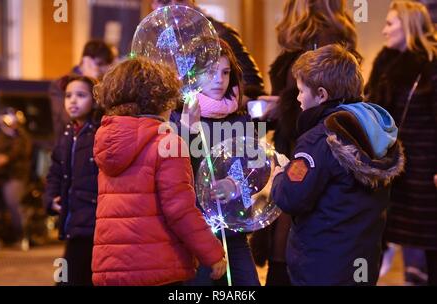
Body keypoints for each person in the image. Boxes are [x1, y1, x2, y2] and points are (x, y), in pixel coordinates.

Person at [271, 44, 405, 285]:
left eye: (301, 91)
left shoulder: (320, 139)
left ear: (321, 94)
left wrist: (279, 175)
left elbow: (291, 197)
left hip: (322, 267)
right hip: (362, 263)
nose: (299, 99)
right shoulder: (373, 129)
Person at [252, 0, 361, 286]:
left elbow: (317, 105)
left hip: (303, 149)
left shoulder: (322, 42)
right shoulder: (318, 40)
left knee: (292, 238)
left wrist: (282, 107)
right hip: (300, 146)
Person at [91, 57, 227, 286]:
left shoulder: (107, 142)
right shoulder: (168, 144)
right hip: (156, 267)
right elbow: (180, 210)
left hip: (110, 268)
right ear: (162, 98)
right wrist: (212, 253)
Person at [171, 39, 260, 286]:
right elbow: (173, 170)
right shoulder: (176, 116)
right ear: (192, 74)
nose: (219, 80)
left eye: (225, 72)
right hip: (194, 233)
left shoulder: (241, 119)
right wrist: (188, 128)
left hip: (233, 231)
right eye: (210, 72)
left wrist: (235, 183)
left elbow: (256, 167)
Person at [365, 0, 437, 286]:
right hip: (390, 170)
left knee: (431, 243)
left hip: (425, 172)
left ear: (408, 26)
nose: (384, 31)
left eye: (390, 23)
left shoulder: (432, 65)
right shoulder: (385, 63)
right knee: (378, 236)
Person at [45, 75, 101, 286]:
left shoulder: (99, 133)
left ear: (94, 100)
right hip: (73, 222)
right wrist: (50, 199)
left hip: (91, 223)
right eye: (68, 95)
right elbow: (55, 172)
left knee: (69, 278)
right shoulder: (68, 134)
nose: (73, 101)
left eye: (80, 95)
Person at [151, 0, 265, 100]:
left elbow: (252, 86)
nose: (174, 6)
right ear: (153, 5)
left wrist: (221, 110)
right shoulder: (150, 40)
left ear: (193, 1)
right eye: (164, 1)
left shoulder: (220, 33)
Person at [49, 40, 116, 141]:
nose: (102, 70)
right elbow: (67, 118)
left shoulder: (104, 84)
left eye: (106, 65)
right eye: (99, 64)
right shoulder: (61, 84)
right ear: (85, 61)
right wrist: (90, 80)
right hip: (68, 147)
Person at [0, 108, 32, 249]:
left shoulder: (21, 138)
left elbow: (19, 151)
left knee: (13, 202)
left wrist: (6, 158)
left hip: (15, 176)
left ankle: (22, 236)